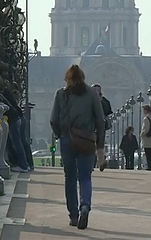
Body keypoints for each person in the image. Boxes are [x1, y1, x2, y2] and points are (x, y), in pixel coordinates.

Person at [49, 65, 105, 230]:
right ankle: (85, 206)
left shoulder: (61, 94)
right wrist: (99, 142)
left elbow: (53, 120)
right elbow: (101, 120)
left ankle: (73, 215)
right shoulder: (92, 94)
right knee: (85, 177)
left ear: (67, 79)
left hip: (67, 139)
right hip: (87, 140)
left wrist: (61, 134)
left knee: (70, 178)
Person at [0, 87, 30, 173]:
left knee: (16, 143)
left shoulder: (1, 95)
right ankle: (26, 164)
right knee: (19, 142)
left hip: (13, 120)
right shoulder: (6, 92)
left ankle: (22, 165)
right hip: (17, 118)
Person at [91, 83, 113, 171]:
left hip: (100, 126)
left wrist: (100, 101)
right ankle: (93, 163)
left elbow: (108, 111)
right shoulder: (88, 101)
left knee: (100, 145)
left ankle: (101, 162)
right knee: (91, 145)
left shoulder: (104, 101)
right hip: (91, 126)